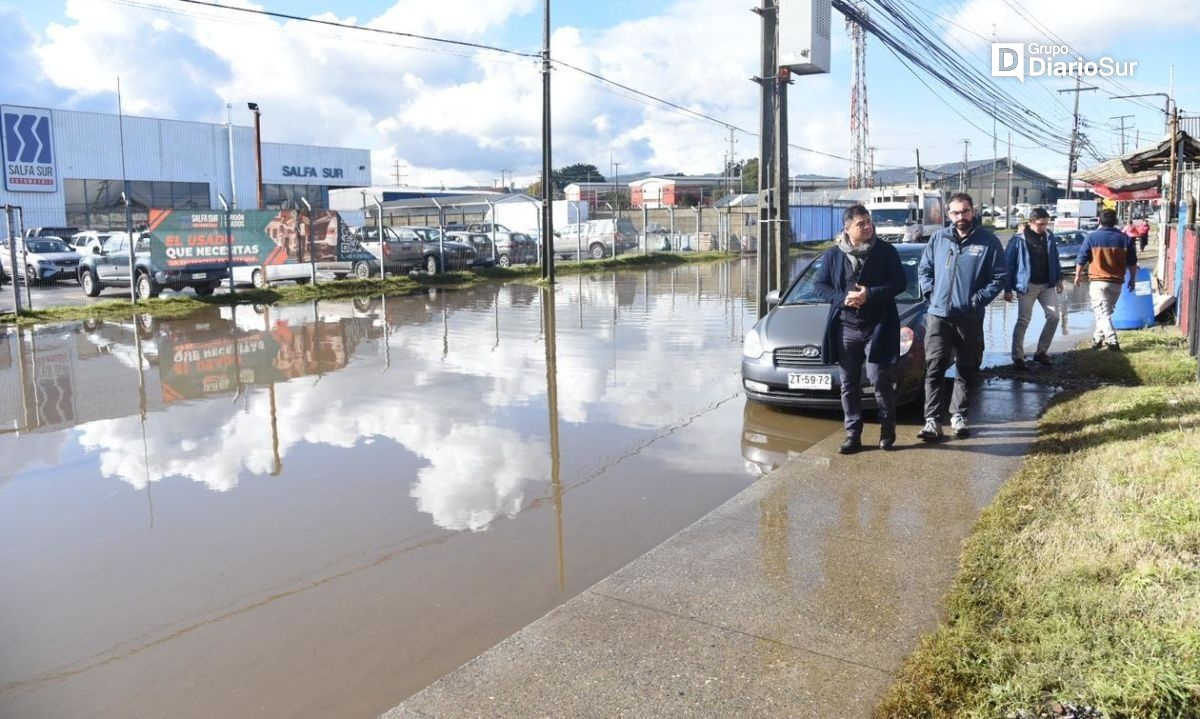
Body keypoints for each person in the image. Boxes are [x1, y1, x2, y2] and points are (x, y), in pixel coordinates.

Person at [813, 204, 908, 454]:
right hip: (846, 328)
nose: (867, 227)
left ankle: (888, 430)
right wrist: (842, 298)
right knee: (848, 383)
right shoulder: (834, 255)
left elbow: (900, 283)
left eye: (869, 222)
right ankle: (853, 434)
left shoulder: (885, 251)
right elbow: (819, 285)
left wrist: (870, 294)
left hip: (878, 326)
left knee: (879, 379)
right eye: (861, 223)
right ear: (847, 228)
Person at [916, 192, 1006, 441]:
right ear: (948, 215)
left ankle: (959, 416)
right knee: (934, 367)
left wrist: (976, 300)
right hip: (938, 316)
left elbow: (999, 277)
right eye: (955, 213)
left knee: (965, 367)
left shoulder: (988, 242)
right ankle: (932, 421)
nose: (960, 217)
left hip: (969, 316)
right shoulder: (938, 238)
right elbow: (924, 269)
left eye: (964, 212)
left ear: (973, 211)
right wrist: (931, 293)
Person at [1003, 207, 1063, 369]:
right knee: (1023, 321)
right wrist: (1007, 289)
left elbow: (1055, 258)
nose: (1043, 227)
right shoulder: (1018, 240)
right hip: (1027, 286)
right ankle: (1018, 357)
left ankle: (1041, 352)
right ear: (1031, 223)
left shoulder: (1049, 237)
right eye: (1040, 224)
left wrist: (1058, 278)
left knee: (1054, 317)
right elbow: (1008, 265)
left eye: (1046, 224)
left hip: (1047, 285)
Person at [1075, 208, 1137, 351]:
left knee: (1103, 314)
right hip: (1117, 283)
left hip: (1098, 281)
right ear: (1115, 222)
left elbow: (1081, 259)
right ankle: (1097, 340)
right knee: (1104, 313)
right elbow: (1132, 263)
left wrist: (1078, 275)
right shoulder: (1125, 239)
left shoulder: (1091, 238)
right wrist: (1132, 280)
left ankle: (1113, 342)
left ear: (1099, 221)